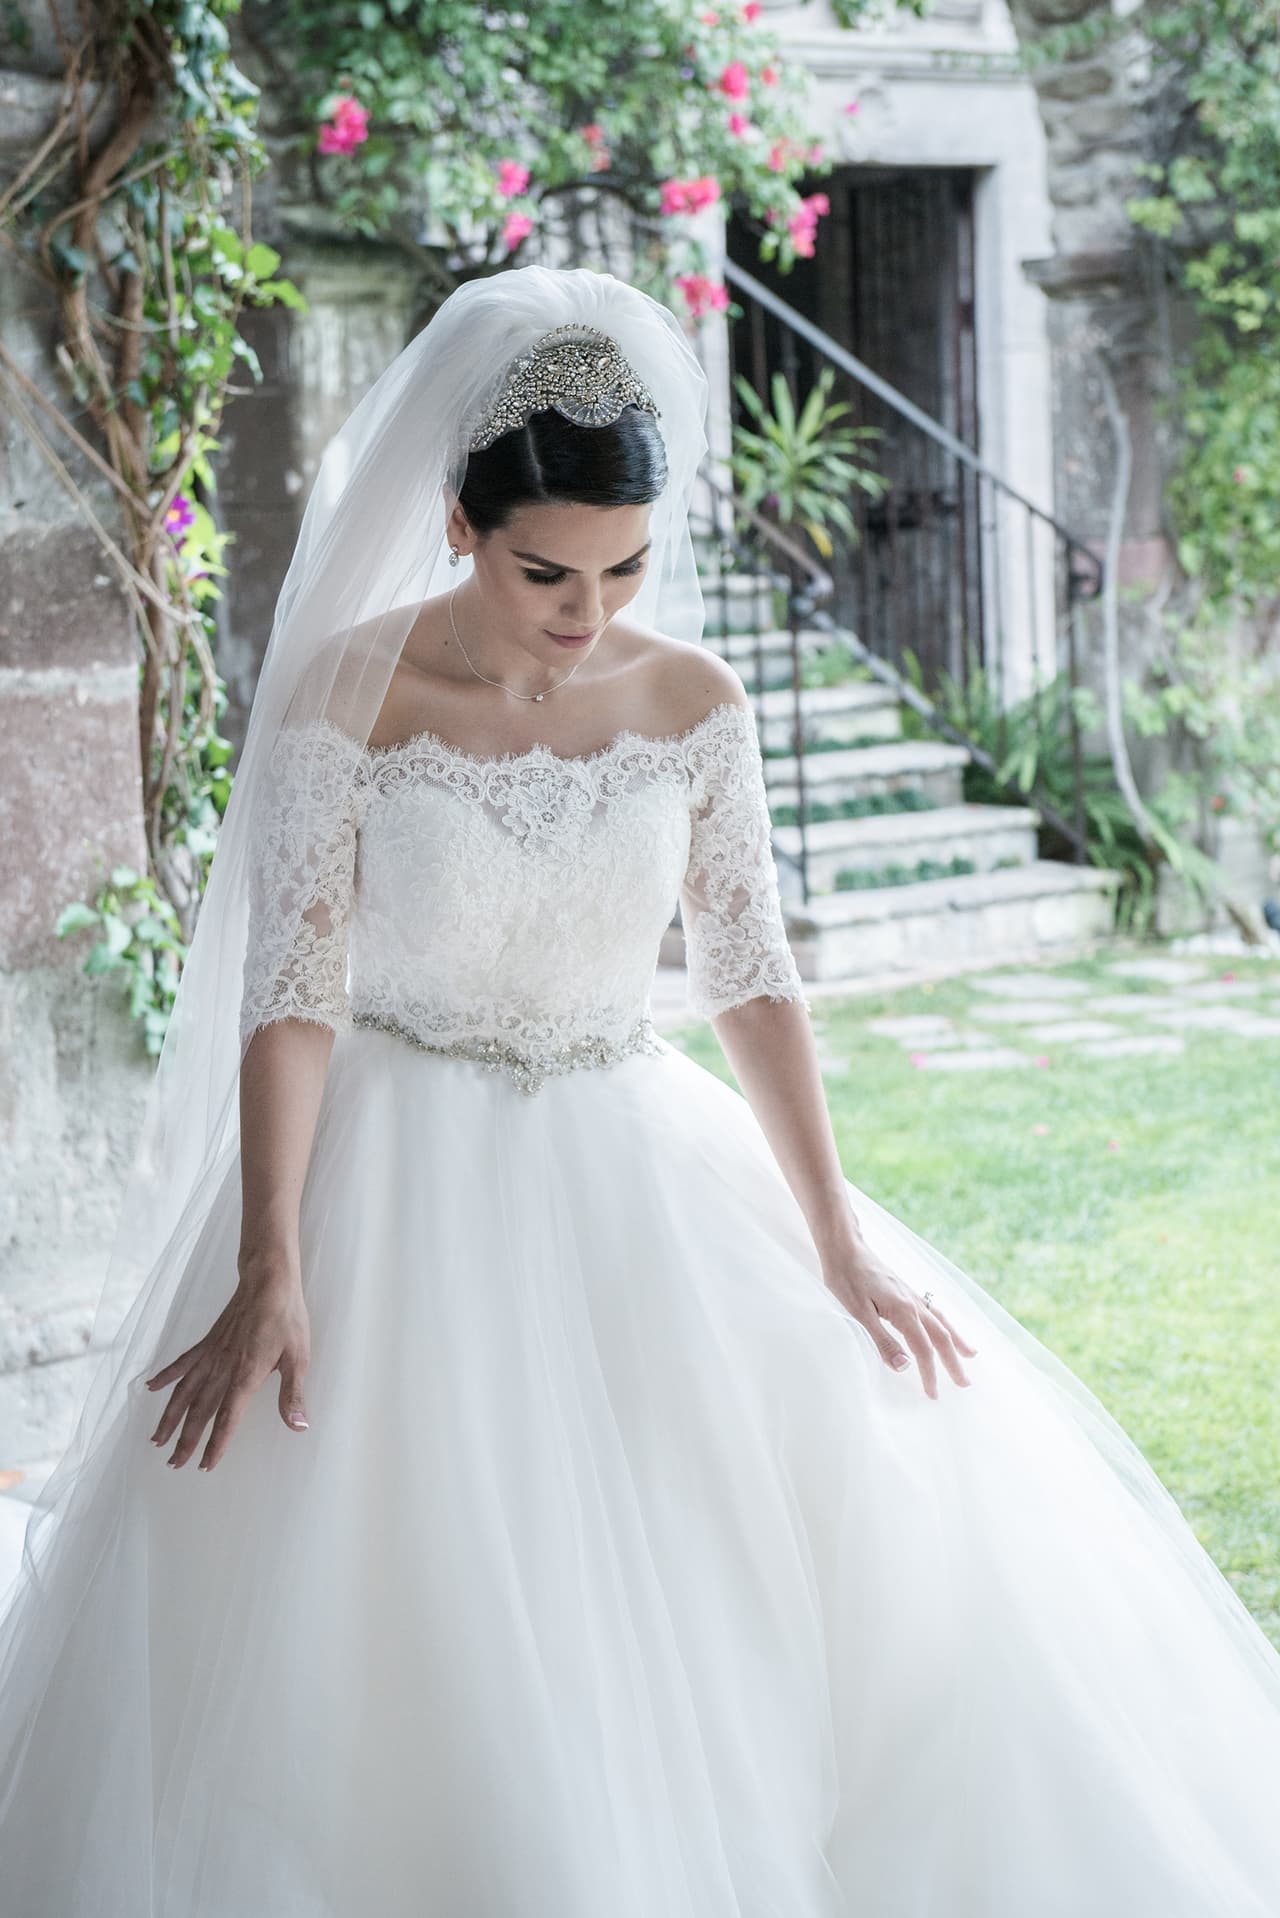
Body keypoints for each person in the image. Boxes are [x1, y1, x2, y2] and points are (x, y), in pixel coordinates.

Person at [1, 264, 1279, 1917]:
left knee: (800, 1539)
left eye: (624, 569)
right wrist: (274, 1254)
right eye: (546, 569)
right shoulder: (349, 697)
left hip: (630, 1148)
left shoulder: (694, 707)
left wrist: (835, 1233)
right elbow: (294, 995)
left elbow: (751, 979)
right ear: (460, 522)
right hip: (395, 1172)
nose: (585, 611)